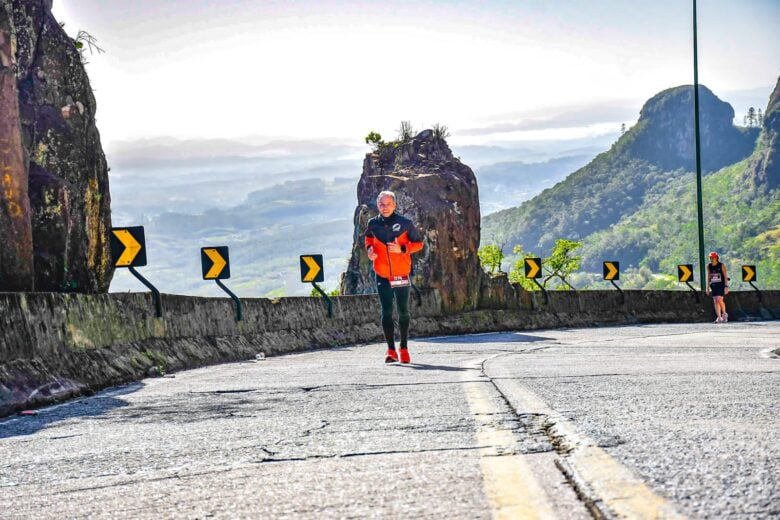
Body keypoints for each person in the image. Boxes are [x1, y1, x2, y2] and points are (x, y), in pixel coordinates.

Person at [365, 190, 424, 364]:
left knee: (403, 311)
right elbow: (369, 239)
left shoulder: (405, 223)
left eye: (388, 204)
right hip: (382, 274)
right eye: (382, 204)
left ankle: (404, 347)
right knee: (387, 312)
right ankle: (391, 350)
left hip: (401, 274)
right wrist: (370, 251)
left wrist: (402, 249)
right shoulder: (372, 224)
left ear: (394, 205)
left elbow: (419, 244)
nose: (385, 207)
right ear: (378, 205)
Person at [705, 251, 729, 323]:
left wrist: (726, 286)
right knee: (715, 300)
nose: (711, 259)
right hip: (714, 285)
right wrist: (707, 287)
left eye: (713, 257)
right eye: (710, 257)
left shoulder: (721, 265)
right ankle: (719, 317)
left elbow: (725, 276)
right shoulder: (709, 266)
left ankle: (724, 314)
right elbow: (709, 276)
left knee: (719, 299)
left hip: (721, 285)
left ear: (716, 258)